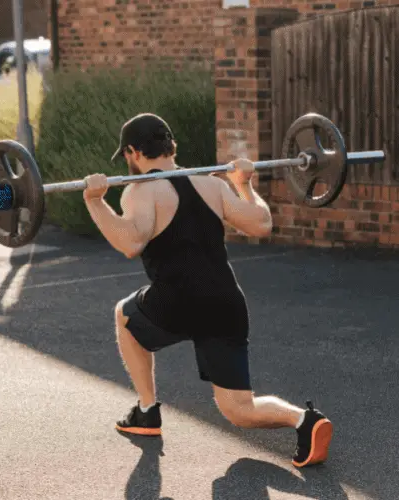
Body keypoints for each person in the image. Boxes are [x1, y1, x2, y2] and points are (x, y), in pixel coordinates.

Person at [82, 113, 333, 468]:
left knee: (124, 315)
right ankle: (304, 420)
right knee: (239, 410)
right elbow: (261, 223)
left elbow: (130, 242)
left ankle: (146, 411)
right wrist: (244, 183)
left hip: (177, 302)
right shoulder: (211, 184)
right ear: (171, 147)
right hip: (225, 302)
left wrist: (95, 201)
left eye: (126, 155)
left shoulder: (141, 190)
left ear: (134, 152)